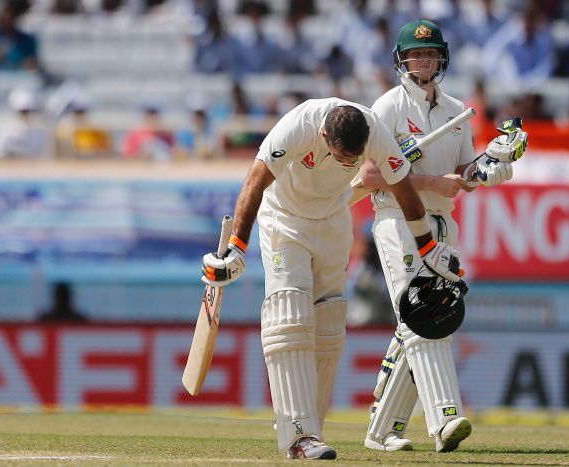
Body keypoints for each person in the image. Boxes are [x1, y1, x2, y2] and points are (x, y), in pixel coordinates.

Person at [200, 96, 465, 460]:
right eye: (342, 156)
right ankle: (297, 434)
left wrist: (427, 247)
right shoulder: (298, 126)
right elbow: (255, 182)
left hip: (334, 217)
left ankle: (312, 430)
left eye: (352, 159)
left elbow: (402, 187)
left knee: (328, 322)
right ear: (323, 135)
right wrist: (237, 249)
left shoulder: (373, 131)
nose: (348, 164)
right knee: (290, 316)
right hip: (285, 218)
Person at [356, 19, 525, 453]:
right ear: (401, 59)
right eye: (415, 54)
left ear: (441, 59)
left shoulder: (456, 110)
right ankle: (444, 421)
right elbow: (371, 174)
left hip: (441, 225)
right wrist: (432, 182)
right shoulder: (389, 107)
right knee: (424, 314)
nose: (423, 61)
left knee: (429, 319)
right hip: (397, 220)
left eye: (429, 54)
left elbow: (465, 172)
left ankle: (382, 430)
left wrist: (489, 168)